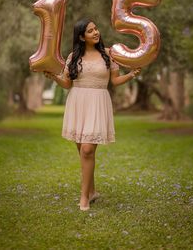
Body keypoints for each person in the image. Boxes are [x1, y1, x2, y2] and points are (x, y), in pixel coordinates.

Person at [44, 18, 141, 211]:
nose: (96, 32)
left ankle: (84, 198)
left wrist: (130, 75)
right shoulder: (73, 57)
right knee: (83, 153)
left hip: (98, 103)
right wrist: (54, 77)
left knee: (88, 150)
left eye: (96, 29)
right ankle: (93, 191)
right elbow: (67, 83)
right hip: (78, 103)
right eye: (90, 31)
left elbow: (114, 80)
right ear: (81, 36)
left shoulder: (108, 55)